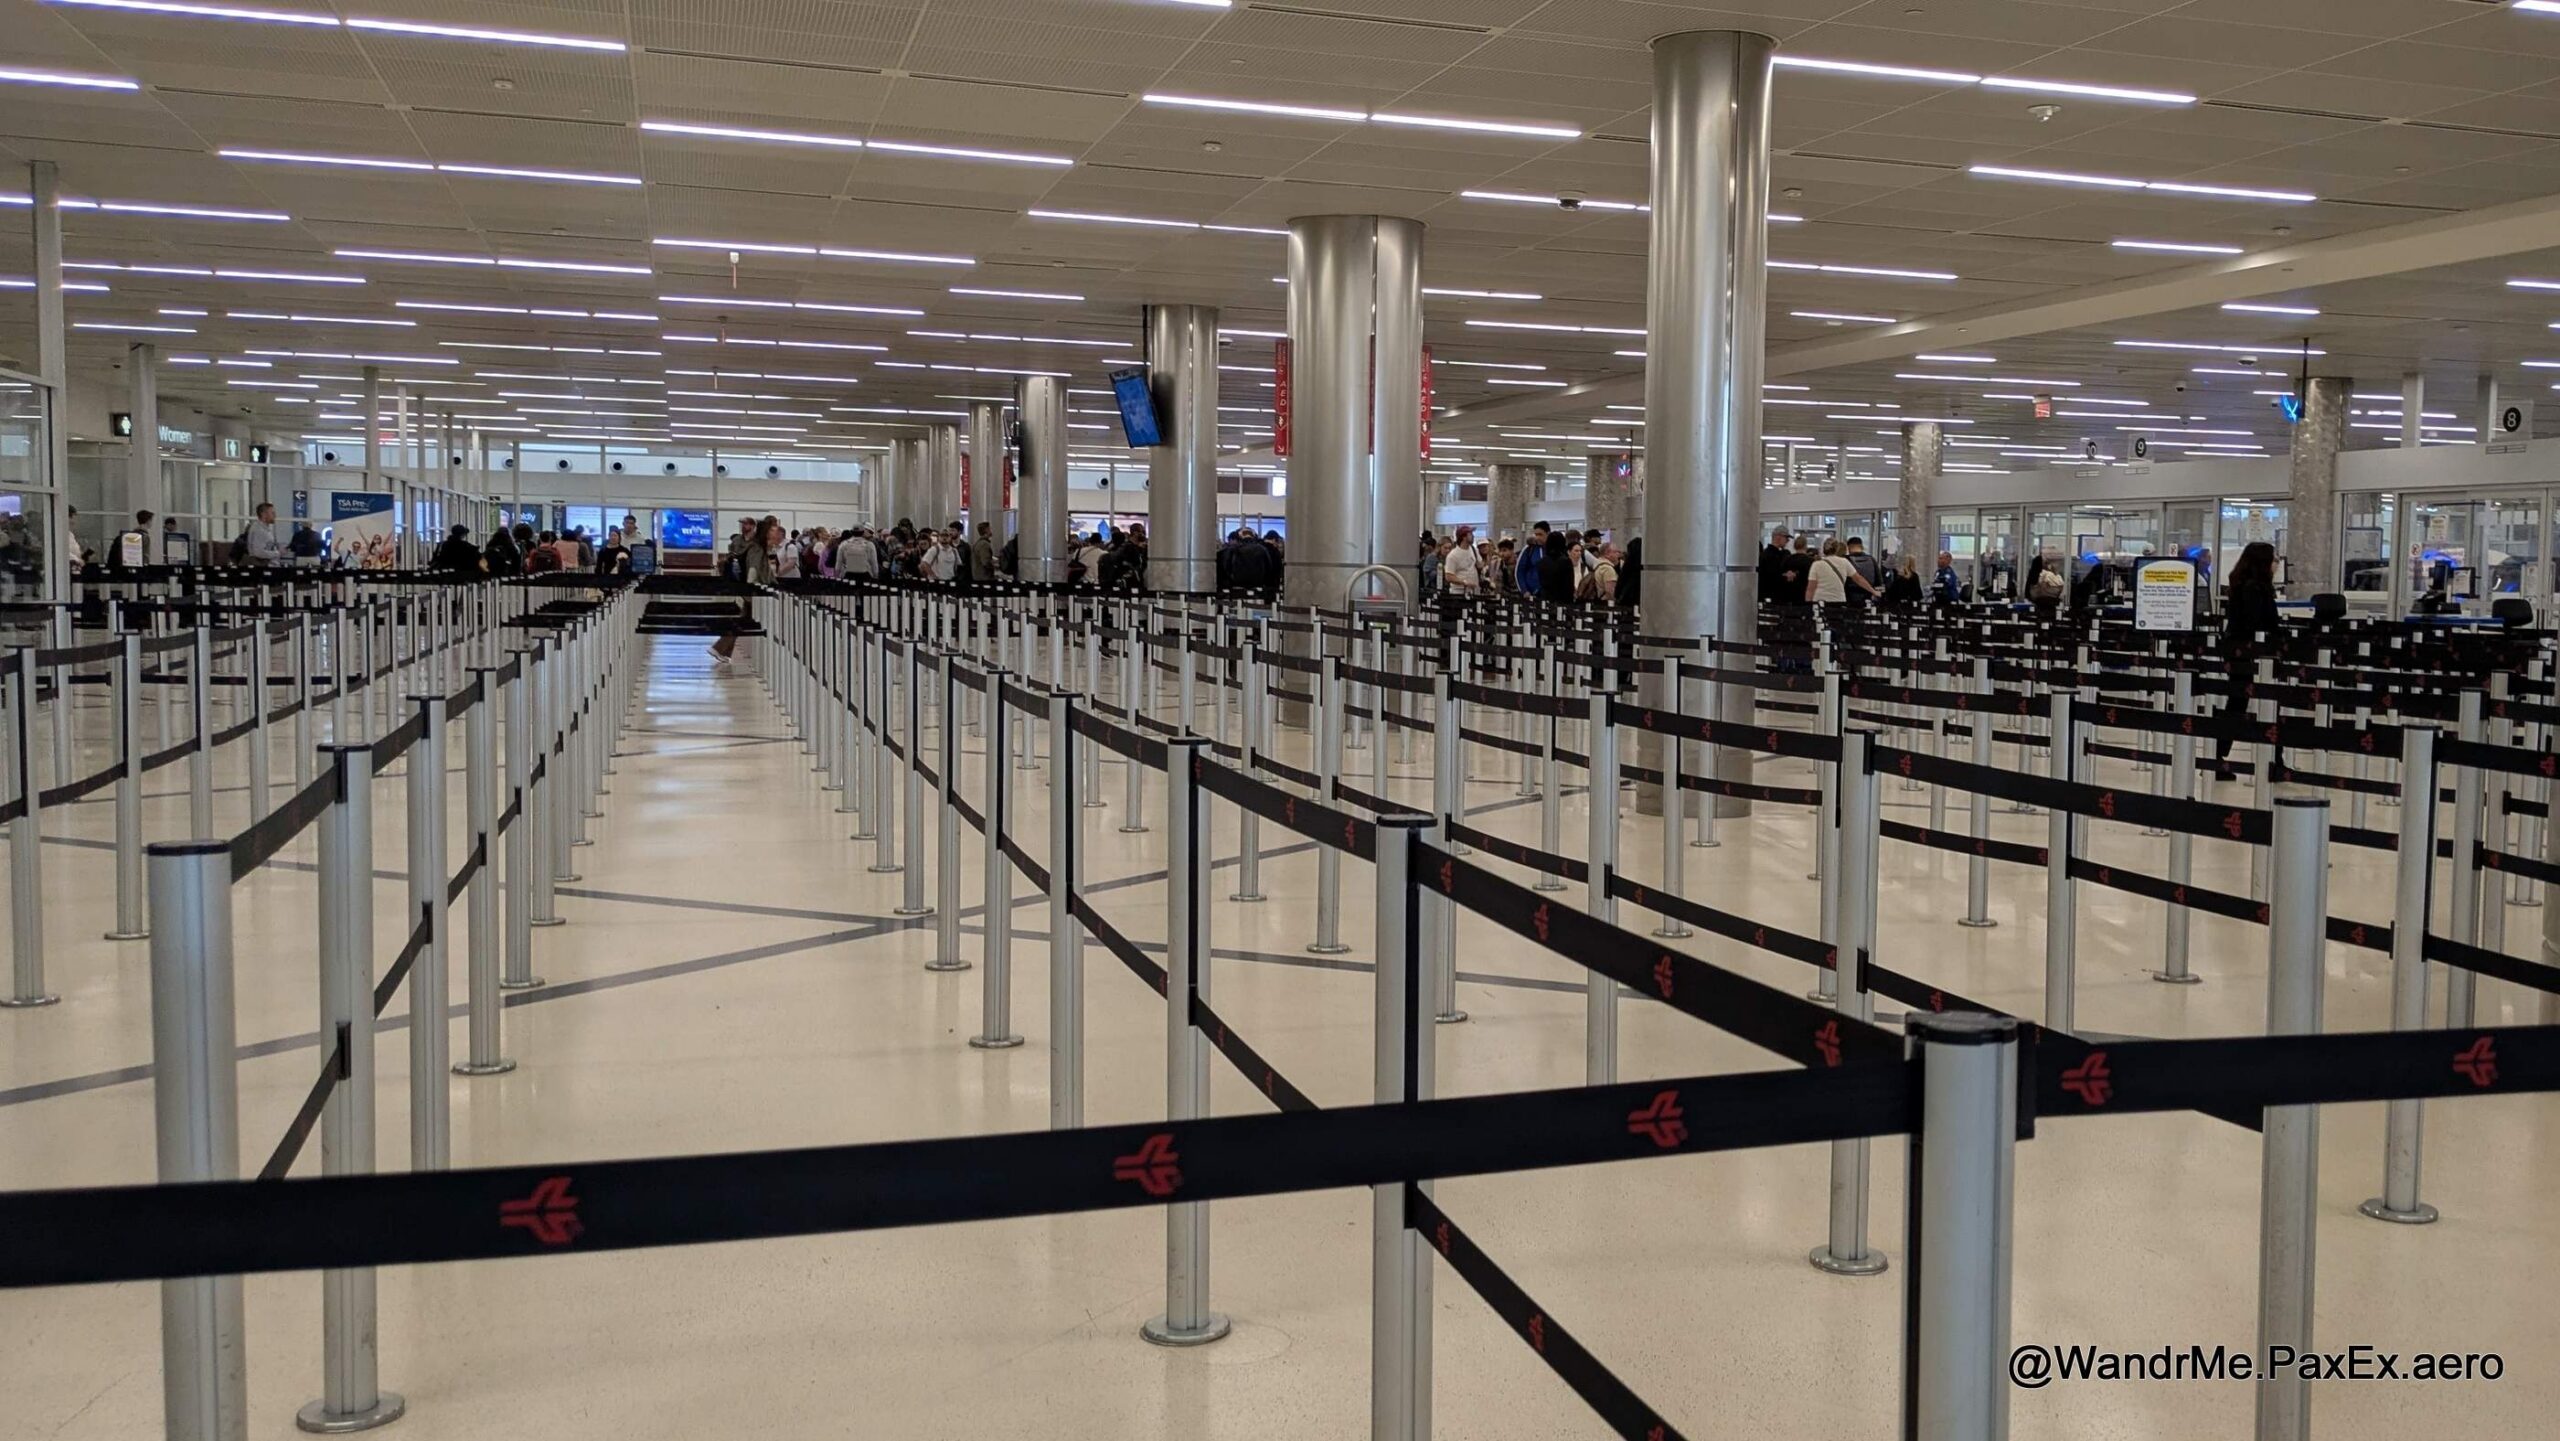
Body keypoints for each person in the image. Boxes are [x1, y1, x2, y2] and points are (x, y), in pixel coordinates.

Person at [2213, 540, 2284, 779]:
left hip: (2239, 650)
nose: (2277, 564)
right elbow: (2259, 622)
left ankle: (2219, 756)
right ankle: (2273, 761)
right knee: (2258, 704)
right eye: (2274, 559)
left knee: (2238, 703)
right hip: (2253, 653)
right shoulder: (2255, 588)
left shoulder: (2242, 584)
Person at [710, 518, 781, 666]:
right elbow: (753, 569)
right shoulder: (756, 548)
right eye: (773, 530)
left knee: (744, 618)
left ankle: (724, 651)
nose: (777, 534)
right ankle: (719, 647)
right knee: (745, 620)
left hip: (751, 589)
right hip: (755, 590)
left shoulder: (753, 546)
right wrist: (749, 590)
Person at [1806, 539, 1875, 606]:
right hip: (1839, 600)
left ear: (1824, 550)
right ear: (1836, 549)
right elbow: (1858, 579)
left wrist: (1808, 604)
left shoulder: (1816, 564)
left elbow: (1811, 588)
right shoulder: (1844, 562)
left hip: (1820, 601)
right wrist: (1873, 591)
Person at [1758, 527, 1801, 608]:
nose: (1787, 541)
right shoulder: (1768, 556)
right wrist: (1785, 576)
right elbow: (1770, 576)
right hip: (1772, 598)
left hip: (1777, 598)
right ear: (1778, 537)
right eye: (1786, 538)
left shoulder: (1781, 554)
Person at [1538, 531, 1576, 605]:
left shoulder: (1542, 561)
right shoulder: (1566, 561)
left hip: (1545, 599)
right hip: (1562, 600)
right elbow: (1569, 585)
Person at [1843, 536, 1882, 607]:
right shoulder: (1871, 559)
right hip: (1868, 596)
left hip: (1850, 597)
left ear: (1848, 547)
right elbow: (1879, 580)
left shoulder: (1846, 560)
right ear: (1861, 546)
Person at [1517, 522, 1550, 599]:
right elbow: (1519, 571)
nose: (1537, 537)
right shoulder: (1529, 549)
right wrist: (1524, 590)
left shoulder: (1555, 549)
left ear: (1548, 533)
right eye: (1536, 535)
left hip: (1550, 595)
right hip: (1531, 595)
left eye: (1540, 534)